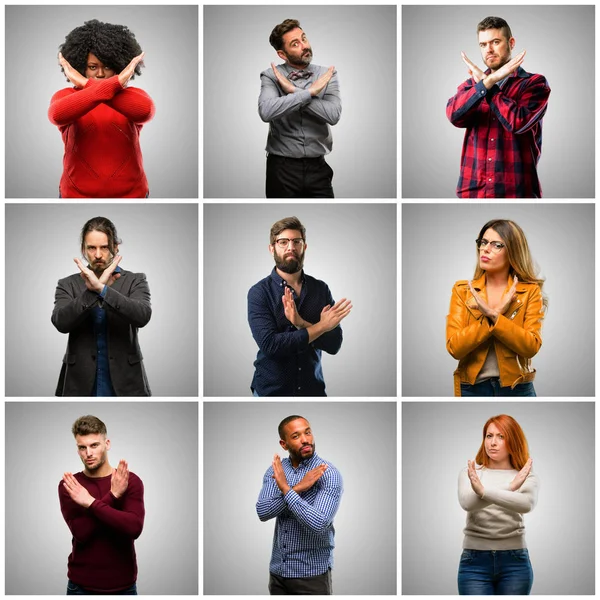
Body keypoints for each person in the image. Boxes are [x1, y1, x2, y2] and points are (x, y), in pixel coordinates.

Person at [48, 19, 155, 198]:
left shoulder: (132, 96)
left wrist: (84, 83)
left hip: (133, 196)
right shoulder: (66, 96)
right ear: (81, 66)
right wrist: (100, 87)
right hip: (75, 196)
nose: (100, 74)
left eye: (107, 66)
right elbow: (57, 115)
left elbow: (145, 111)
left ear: (119, 66)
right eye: (92, 67)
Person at [446, 16, 551, 198]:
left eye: (495, 42)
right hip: (472, 191)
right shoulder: (472, 85)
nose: (489, 49)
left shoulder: (535, 84)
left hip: (516, 191)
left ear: (511, 42)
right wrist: (485, 84)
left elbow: (518, 122)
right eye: (483, 44)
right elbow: (454, 116)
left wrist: (490, 86)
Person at [247, 216, 351, 396]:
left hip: (314, 389)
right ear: (272, 248)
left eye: (297, 241)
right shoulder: (259, 292)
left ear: (304, 246)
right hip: (271, 391)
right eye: (283, 242)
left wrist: (302, 323)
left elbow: (334, 345)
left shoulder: (320, 289)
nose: (291, 247)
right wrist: (321, 326)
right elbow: (271, 346)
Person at [52, 216, 152, 396]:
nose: (98, 255)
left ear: (115, 247)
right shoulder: (67, 284)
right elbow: (61, 322)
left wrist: (104, 291)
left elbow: (142, 316)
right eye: (91, 248)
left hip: (126, 382)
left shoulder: (135, 280)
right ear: (84, 249)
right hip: (79, 382)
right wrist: (93, 292)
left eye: (104, 247)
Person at [446, 219, 546, 396]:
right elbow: (455, 347)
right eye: (483, 242)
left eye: (497, 245)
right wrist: (493, 316)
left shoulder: (530, 291)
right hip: (472, 387)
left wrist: (495, 317)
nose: (485, 249)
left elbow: (531, 347)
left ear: (513, 251)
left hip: (518, 387)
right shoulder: (463, 291)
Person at [256, 415, 343, 595]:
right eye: (296, 436)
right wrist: (299, 487)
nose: (305, 440)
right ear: (284, 444)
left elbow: (318, 523)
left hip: (311, 576)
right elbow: (263, 511)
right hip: (278, 573)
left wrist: (287, 490)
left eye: (308, 433)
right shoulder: (277, 470)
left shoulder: (328, 473)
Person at [59, 415, 145, 594]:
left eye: (94, 445)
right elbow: (82, 533)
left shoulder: (129, 481)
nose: (88, 453)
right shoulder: (71, 485)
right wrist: (112, 496)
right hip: (80, 587)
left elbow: (134, 528)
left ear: (107, 444)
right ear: (77, 450)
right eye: (82, 447)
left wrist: (89, 502)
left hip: (124, 586)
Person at [259, 19, 341, 198]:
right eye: (295, 44)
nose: (304, 46)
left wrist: (294, 91)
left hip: (318, 168)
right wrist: (310, 92)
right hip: (281, 169)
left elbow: (334, 115)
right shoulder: (272, 76)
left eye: (304, 39)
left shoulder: (326, 75)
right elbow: (266, 111)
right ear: (282, 54)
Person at [458, 414, 539, 595]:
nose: (492, 442)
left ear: (513, 440)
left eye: (501, 437)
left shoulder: (526, 475)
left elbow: (526, 504)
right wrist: (510, 486)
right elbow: (467, 503)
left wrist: (484, 492)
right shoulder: (470, 472)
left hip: (515, 562)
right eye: (489, 436)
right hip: (474, 562)